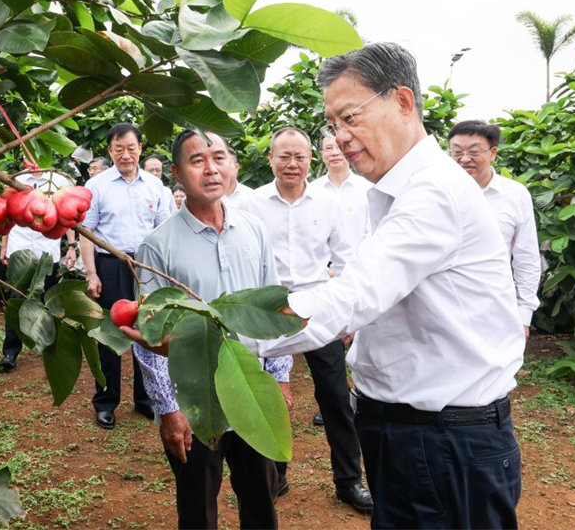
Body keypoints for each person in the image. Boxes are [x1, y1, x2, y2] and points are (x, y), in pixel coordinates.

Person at [169, 44, 525, 529]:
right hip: (411, 434)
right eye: (333, 124)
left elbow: (349, 295)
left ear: (402, 101)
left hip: (443, 443)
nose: (341, 136)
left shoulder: (433, 193)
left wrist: (210, 331)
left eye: (349, 117)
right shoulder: (394, 193)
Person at [133, 130, 290, 530]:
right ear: (177, 174)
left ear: (233, 166)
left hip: (251, 389)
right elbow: (149, 339)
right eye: (197, 160)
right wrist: (169, 409)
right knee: (198, 504)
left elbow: (275, 311)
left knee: (261, 497)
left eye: (218, 157)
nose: (211, 168)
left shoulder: (254, 230)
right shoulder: (157, 245)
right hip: (195, 400)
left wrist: (280, 379)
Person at [238, 127, 373, 512]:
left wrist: (348, 317)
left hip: (318, 311)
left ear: (310, 159)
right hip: (267, 310)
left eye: (299, 156)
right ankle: (274, 475)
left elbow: (346, 261)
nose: (292, 164)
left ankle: (349, 481)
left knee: (335, 398)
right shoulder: (252, 204)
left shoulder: (327, 204)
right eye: (284, 156)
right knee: (266, 398)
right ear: (270, 159)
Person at [80, 124, 169, 429]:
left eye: (131, 148)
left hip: (145, 266)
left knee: (148, 330)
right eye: (119, 149)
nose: (126, 154)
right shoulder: (97, 186)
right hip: (110, 264)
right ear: (110, 151)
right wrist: (91, 273)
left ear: (140, 149)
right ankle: (106, 402)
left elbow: (163, 231)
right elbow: (86, 232)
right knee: (110, 334)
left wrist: (164, 273)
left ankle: (146, 400)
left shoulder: (155, 186)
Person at [448, 120, 541, 337]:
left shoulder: (515, 195)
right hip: (446, 309)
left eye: (473, 152)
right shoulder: (440, 194)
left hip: (497, 308)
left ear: (493, 153)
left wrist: (524, 315)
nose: (464, 159)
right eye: (456, 152)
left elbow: (526, 258)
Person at [307, 133, 373, 428]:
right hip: (325, 278)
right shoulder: (312, 191)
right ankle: (333, 401)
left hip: (362, 274)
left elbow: (373, 235)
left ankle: (363, 397)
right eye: (327, 148)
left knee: (363, 342)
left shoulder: (366, 189)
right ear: (320, 154)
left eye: (338, 147)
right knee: (328, 349)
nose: (334, 152)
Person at [0, 170, 78, 372]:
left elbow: (67, 217)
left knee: (48, 300)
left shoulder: (59, 182)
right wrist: (4, 246)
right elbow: (7, 217)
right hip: (20, 250)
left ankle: (48, 347)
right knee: (16, 299)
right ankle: (10, 352)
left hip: (47, 250)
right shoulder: (16, 181)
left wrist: (71, 246)